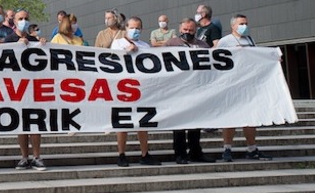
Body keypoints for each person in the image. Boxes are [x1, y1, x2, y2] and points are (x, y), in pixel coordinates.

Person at [217, 14, 273, 162]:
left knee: (250, 118)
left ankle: (252, 149)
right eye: (242, 23)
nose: (245, 26)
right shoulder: (225, 41)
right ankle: (227, 149)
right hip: (231, 86)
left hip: (248, 86)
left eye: (246, 23)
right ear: (233, 26)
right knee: (230, 118)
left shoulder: (250, 40)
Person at [164, 18, 217, 164]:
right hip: (178, 90)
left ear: (196, 30)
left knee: (196, 121)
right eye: (185, 30)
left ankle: (195, 152)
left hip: (197, 90)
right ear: (180, 29)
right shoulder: (171, 44)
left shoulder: (203, 45)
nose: (188, 32)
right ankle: (180, 153)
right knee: (179, 124)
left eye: (191, 30)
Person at [111, 17, 161, 167]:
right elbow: (112, 61)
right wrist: (127, 52)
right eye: (132, 27)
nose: (135, 31)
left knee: (143, 121)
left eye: (138, 28)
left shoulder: (145, 46)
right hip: (124, 88)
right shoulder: (118, 43)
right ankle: (121, 154)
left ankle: (145, 154)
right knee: (123, 122)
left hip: (142, 88)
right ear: (126, 28)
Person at [4, 9, 48, 171]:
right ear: (14, 22)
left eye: (26, 18)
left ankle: (37, 157)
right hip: (17, 88)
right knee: (21, 124)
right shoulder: (9, 39)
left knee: (35, 123)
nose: (24, 21)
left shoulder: (34, 40)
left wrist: (44, 46)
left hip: (34, 88)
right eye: (20, 18)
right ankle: (24, 157)